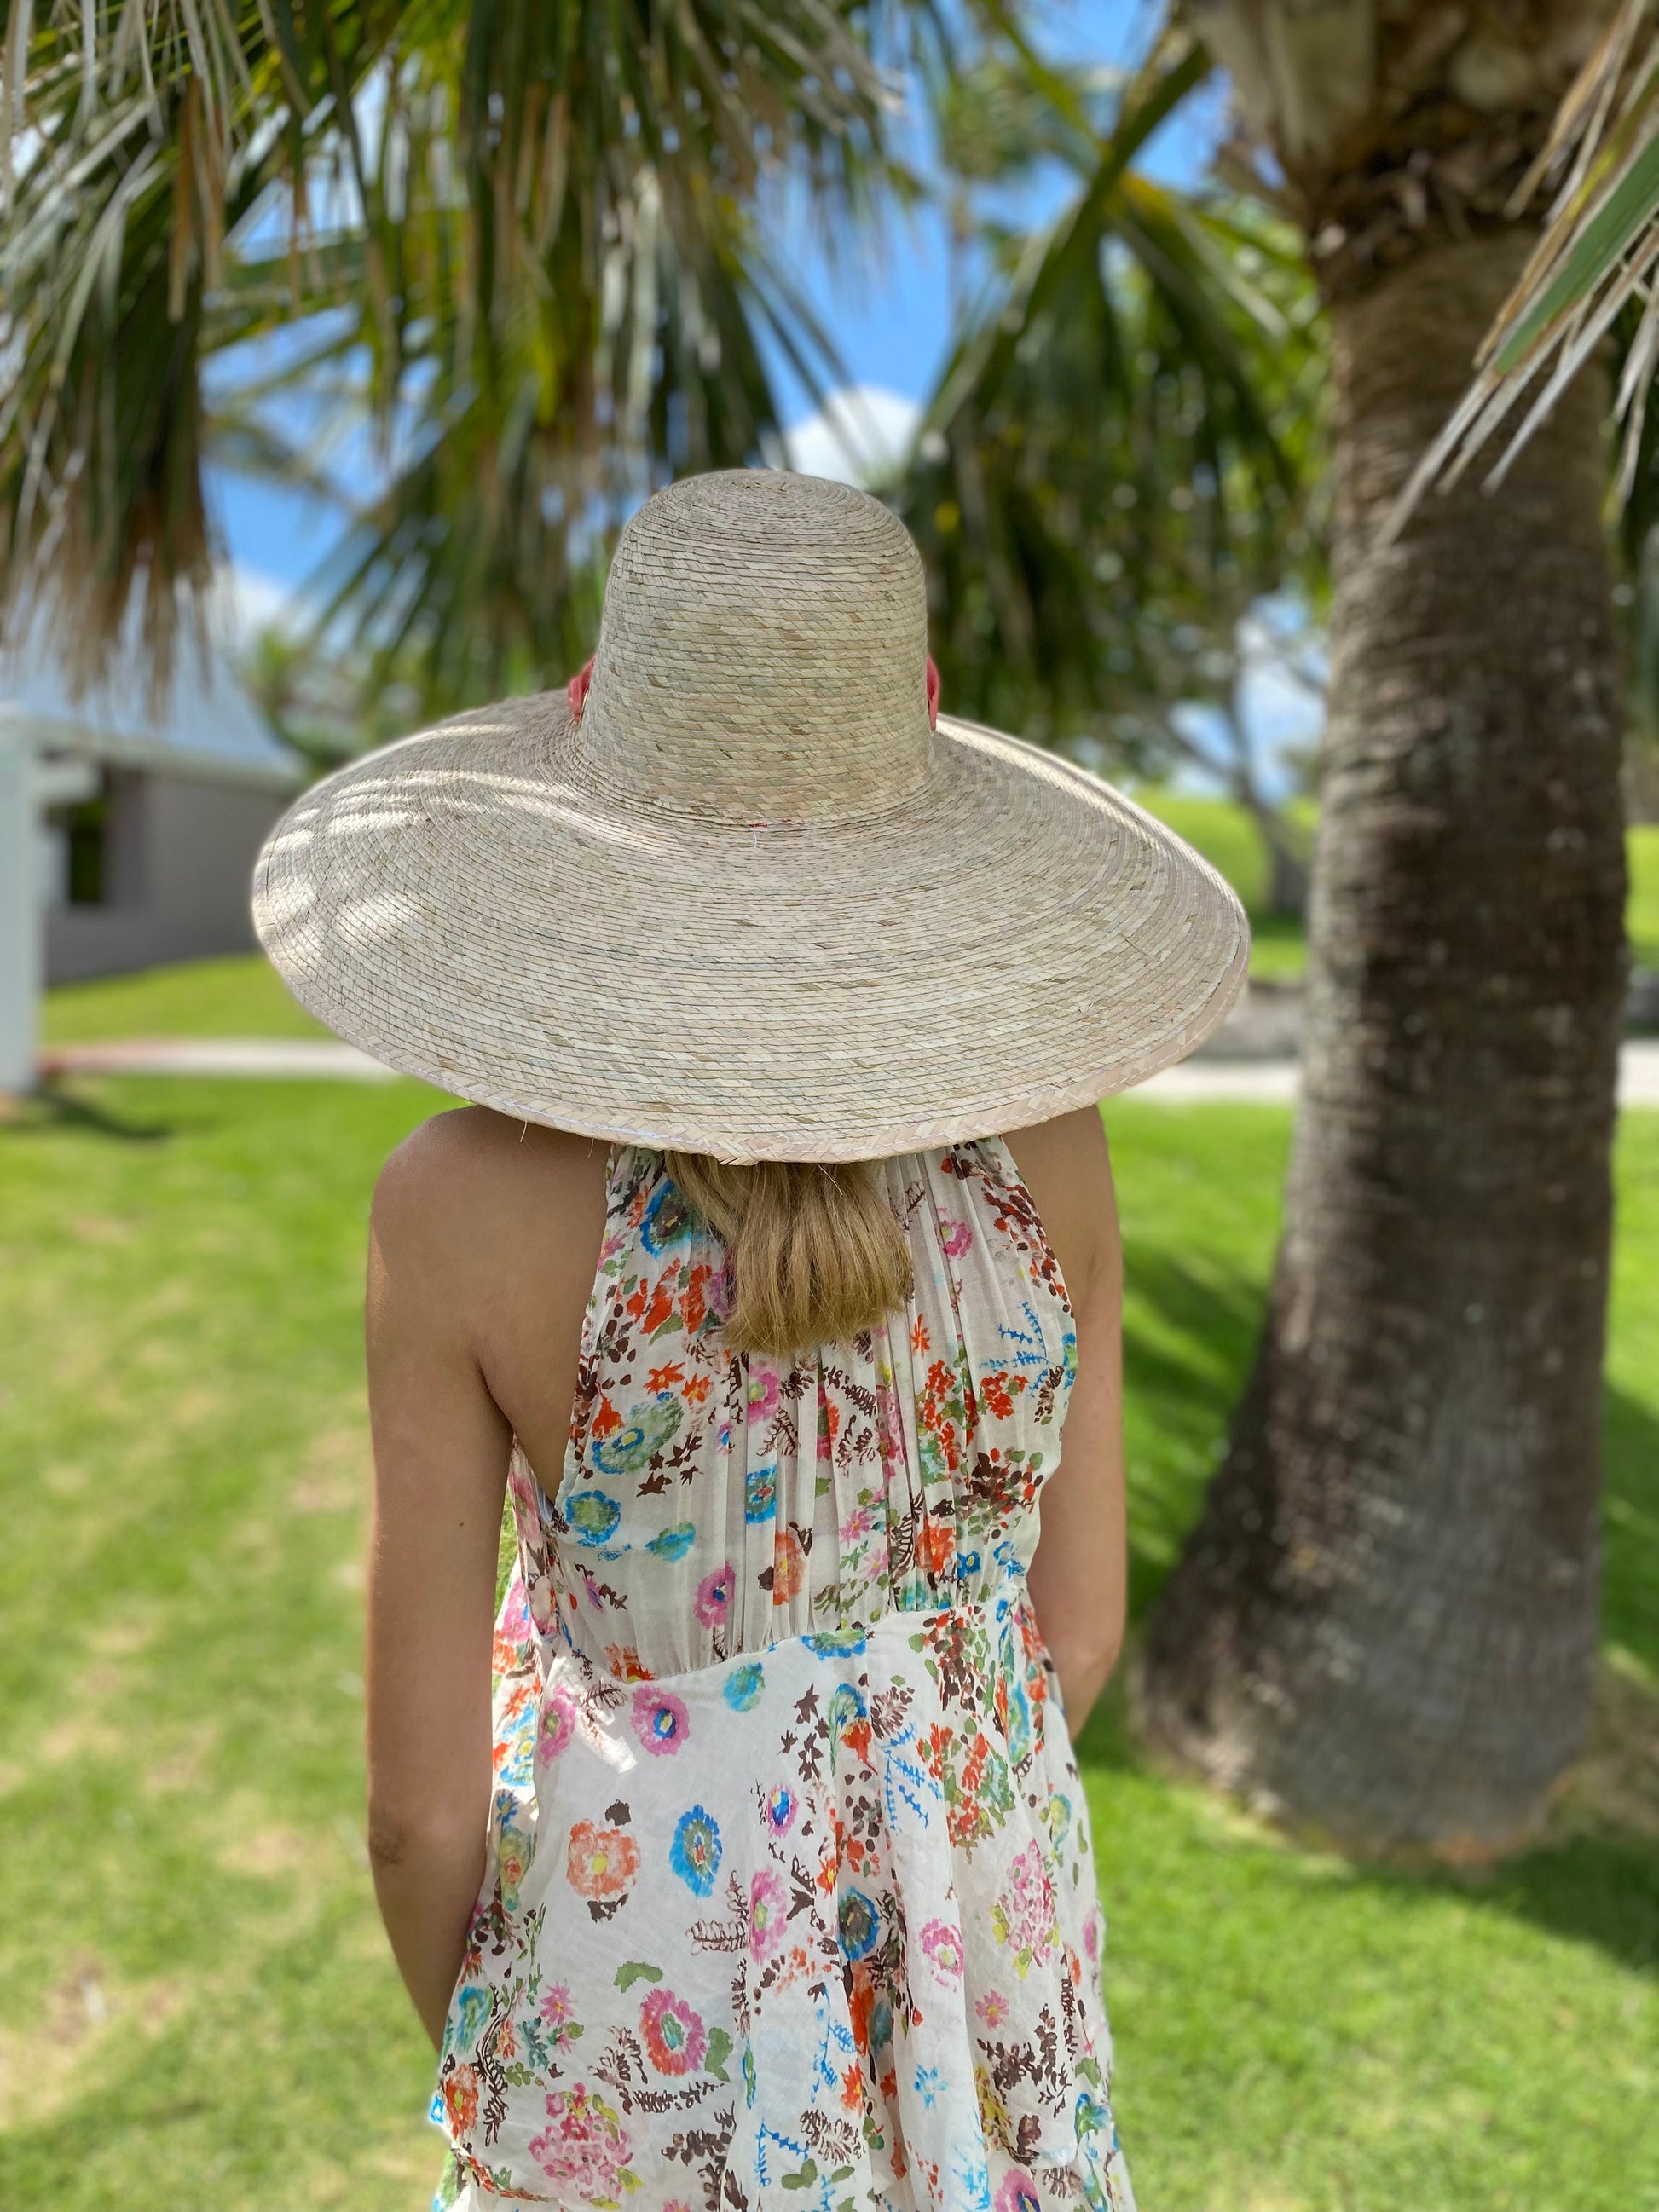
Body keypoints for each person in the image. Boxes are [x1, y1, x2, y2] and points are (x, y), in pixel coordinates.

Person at [254, 469, 1246, 2212]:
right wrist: (918, 1843)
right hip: (982, 1966)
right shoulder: (1054, 1145)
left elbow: (417, 1815)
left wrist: (525, 2077)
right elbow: (1069, 1636)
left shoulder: (457, 1205)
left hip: (627, 2002)